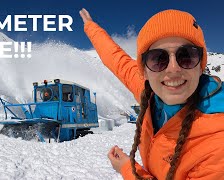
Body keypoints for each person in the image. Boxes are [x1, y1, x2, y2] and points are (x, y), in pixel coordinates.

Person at [80, 8, 224, 179]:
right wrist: (90, 27)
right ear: (145, 71)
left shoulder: (217, 143)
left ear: (201, 65)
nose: (173, 69)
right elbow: (117, 60)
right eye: (158, 59)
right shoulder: (149, 93)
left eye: (186, 56)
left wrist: (127, 169)